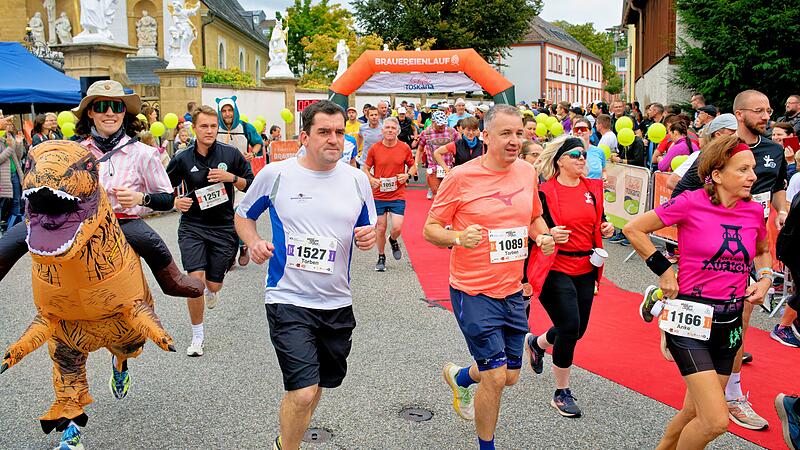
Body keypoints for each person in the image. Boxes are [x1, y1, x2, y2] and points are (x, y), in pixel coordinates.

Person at [234, 100, 376, 450]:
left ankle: (287, 439)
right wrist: (252, 242)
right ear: (304, 136)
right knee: (302, 392)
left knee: (319, 385)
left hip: (337, 302)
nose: (333, 139)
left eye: (339, 132)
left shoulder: (358, 180)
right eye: (324, 132)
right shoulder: (276, 174)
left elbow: (367, 230)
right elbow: (243, 215)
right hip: (287, 298)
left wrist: (370, 237)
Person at [624, 135, 772, 449]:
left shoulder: (753, 212)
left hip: (729, 322)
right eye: (743, 170)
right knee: (716, 420)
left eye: (753, 169)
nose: (753, 176)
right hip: (690, 317)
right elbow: (634, 229)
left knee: (694, 409)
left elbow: (762, 252)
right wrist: (664, 271)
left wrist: (766, 279)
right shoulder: (691, 202)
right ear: (717, 174)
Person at [423, 104, 555, 450]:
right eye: (506, 134)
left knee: (510, 377)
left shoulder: (527, 172)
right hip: (473, 290)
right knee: (496, 377)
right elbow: (430, 229)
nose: (514, 141)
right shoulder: (461, 177)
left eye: (519, 134)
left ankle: (462, 377)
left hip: (512, 290)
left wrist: (541, 236)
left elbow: (533, 218)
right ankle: (486, 446)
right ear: (485, 136)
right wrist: (456, 238)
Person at [525, 136, 614, 417]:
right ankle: (561, 392)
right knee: (569, 325)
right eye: (575, 154)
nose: (581, 159)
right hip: (555, 267)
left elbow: (598, 221)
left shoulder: (592, 189)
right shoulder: (544, 191)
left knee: (578, 330)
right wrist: (548, 234)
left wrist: (606, 227)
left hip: (586, 267)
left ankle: (537, 343)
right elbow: (533, 226)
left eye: (584, 155)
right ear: (560, 160)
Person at [166, 105, 254, 357]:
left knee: (213, 286)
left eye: (213, 126)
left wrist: (231, 179)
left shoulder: (230, 154)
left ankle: (211, 290)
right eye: (203, 126)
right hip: (193, 226)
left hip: (224, 228)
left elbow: (251, 183)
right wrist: (175, 202)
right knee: (194, 283)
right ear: (194, 128)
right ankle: (197, 336)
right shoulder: (182, 158)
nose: (209, 130)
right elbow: (163, 186)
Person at [362, 117, 417, 271]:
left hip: (397, 194)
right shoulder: (375, 148)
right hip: (379, 195)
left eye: (393, 128)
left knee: (397, 227)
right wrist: (371, 179)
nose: (390, 130)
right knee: (380, 228)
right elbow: (365, 168)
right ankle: (381, 257)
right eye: (387, 128)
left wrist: (407, 176)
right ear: (382, 130)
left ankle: (393, 240)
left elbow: (413, 167)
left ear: (397, 131)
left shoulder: (404, 148)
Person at [215, 96, 263, 267]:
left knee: (239, 211)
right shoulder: (215, 127)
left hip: (241, 175)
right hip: (220, 176)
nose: (227, 114)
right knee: (224, 214)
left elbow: (258, 143)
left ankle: (243, 245)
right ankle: (229, 252)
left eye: (230, 110)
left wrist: (252, 153)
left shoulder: (244, 127)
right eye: (224, 111)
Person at [417, 110, 458, 200]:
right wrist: (416, 165)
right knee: (437, 196)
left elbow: (459, 146)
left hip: (449, 167)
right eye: (439, 124)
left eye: (444, 123)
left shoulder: (452, 132)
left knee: (448, 196)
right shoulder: (426, 133)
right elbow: (420, 150)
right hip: (433, 168)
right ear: (433, 122)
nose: (442, 126)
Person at [0, 129, 24, 232]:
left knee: (16, 202)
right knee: (2, 204)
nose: (8, 124)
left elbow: (18, 156)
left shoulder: (8, 136)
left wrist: (19, 144)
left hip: (15, 173)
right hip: (3, 176)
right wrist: (10, 147)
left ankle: (14, 229)